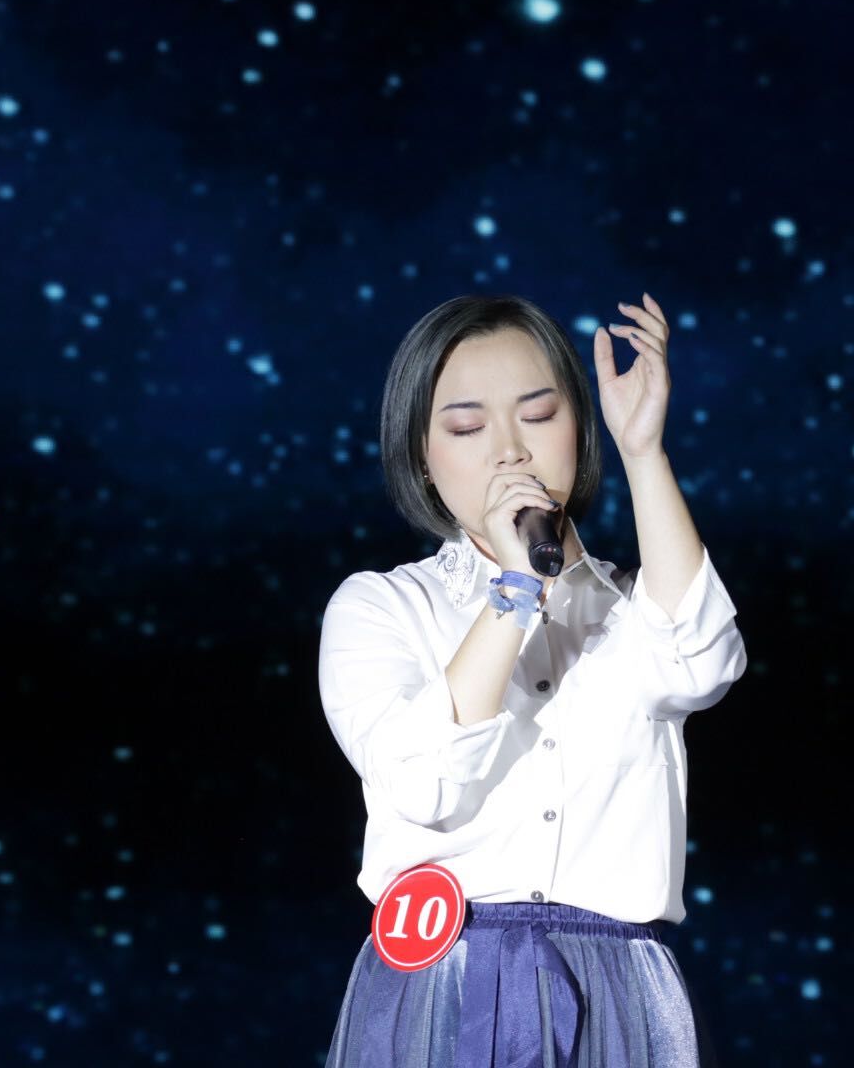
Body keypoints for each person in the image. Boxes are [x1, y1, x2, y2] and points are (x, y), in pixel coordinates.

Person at [319, 292, 747, 1067]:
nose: (510, 452)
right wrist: (515, 590)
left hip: (617, 988)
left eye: (540, 415)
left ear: (579, 429)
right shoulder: (380, 607)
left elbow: (702, 661)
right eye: (467, 427)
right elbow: (424, 785)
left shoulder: (633, 611)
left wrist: (643, 451)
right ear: (423, 455)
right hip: (443, 986)